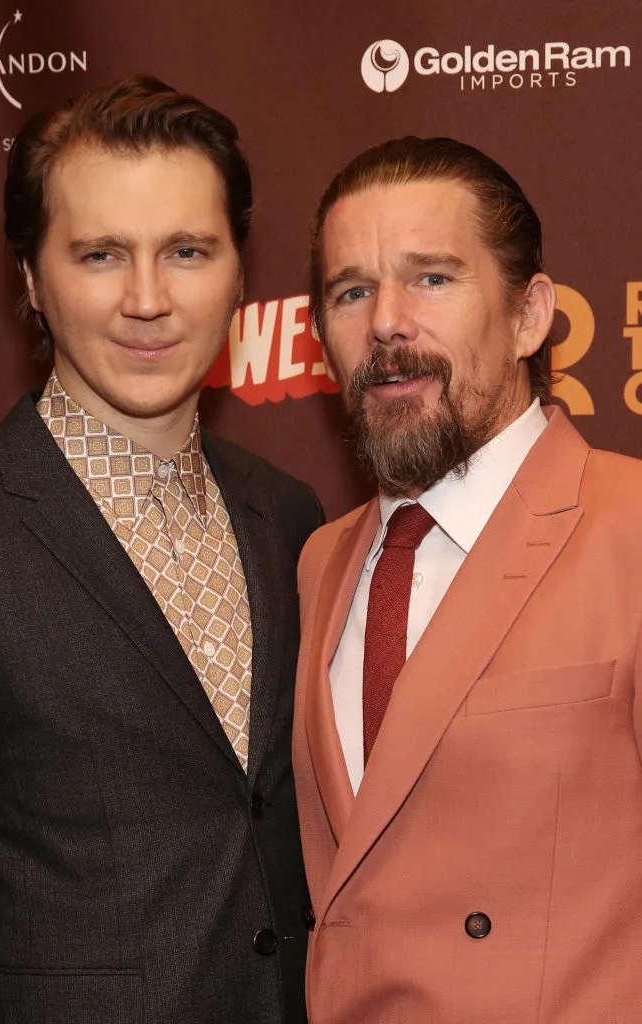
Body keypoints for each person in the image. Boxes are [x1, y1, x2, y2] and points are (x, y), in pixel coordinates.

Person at [0, 75, 323, 1024]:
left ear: (239, 272)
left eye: (187, 250)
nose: (149, 299)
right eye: (101, 254)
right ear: (30, 279)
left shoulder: (290, 515)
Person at [292, 136, 642, 1022]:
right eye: (352, 291)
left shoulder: (630, 527)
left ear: (530, 317)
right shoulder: (320, 562)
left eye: (433, 279)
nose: (386, 322)